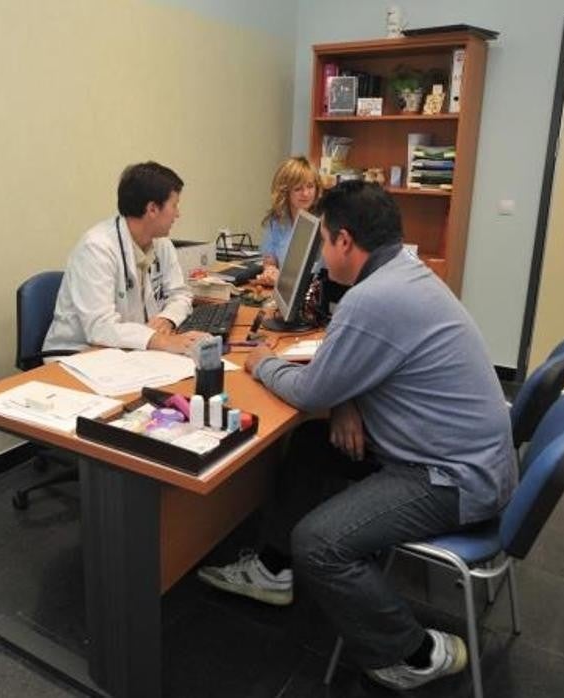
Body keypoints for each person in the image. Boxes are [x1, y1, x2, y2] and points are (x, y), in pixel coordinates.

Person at [197, 181, 516, 691]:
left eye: (324, 241)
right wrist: (345, 399)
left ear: (345, 241)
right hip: (459, 453)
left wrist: (263, 361)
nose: (322, 255)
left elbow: (309, 389)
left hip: (452, 478)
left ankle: (413, 653)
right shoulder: (407, 274)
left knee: (319, 543)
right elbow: (349, 377)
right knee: (307, 446)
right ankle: (273, 570)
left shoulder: (374, 299)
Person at [42, 162, 210, 355]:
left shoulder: (161, 243)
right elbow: (100, 327)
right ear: (152, 209)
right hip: (80, 354)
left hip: (131, 349)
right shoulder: (96, 248)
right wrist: (158, 340)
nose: (178, 214)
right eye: (175, 205)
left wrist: (168, 318)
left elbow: (180, 294)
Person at [259, 156, 322, 268]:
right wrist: (270, 271)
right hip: (281, 283)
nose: (306, 194)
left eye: (310, 186)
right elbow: (269, 260)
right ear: (284, 192)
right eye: (298, 188)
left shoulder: (323, 222)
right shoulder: (276, 220)